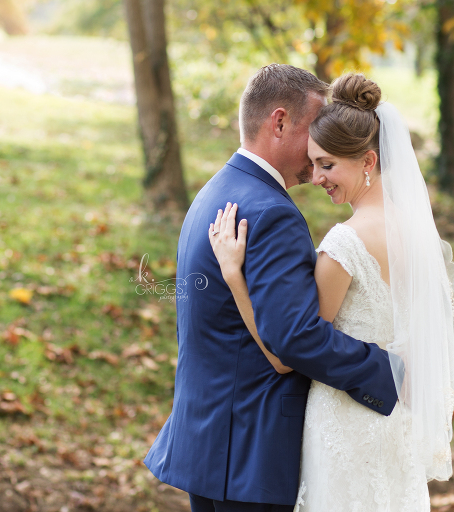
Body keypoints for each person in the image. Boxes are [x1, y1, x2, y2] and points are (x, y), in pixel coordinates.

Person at [143, 64, 404, 512]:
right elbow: (293, 340)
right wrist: (386, 371)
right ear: (280, 122)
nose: (322, 142)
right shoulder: (270, 212)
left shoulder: (216, 191)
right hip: (249, 452)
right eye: (315, 127)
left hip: (211, 444)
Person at [209, 73, 454, 511]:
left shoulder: (345, 245)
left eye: (327, 164)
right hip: (395, 425)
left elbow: (283, 353)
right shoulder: (421, 237)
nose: (316, 178)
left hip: (345, 430)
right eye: (313, 163)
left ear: (368, 161)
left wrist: (234, 275)